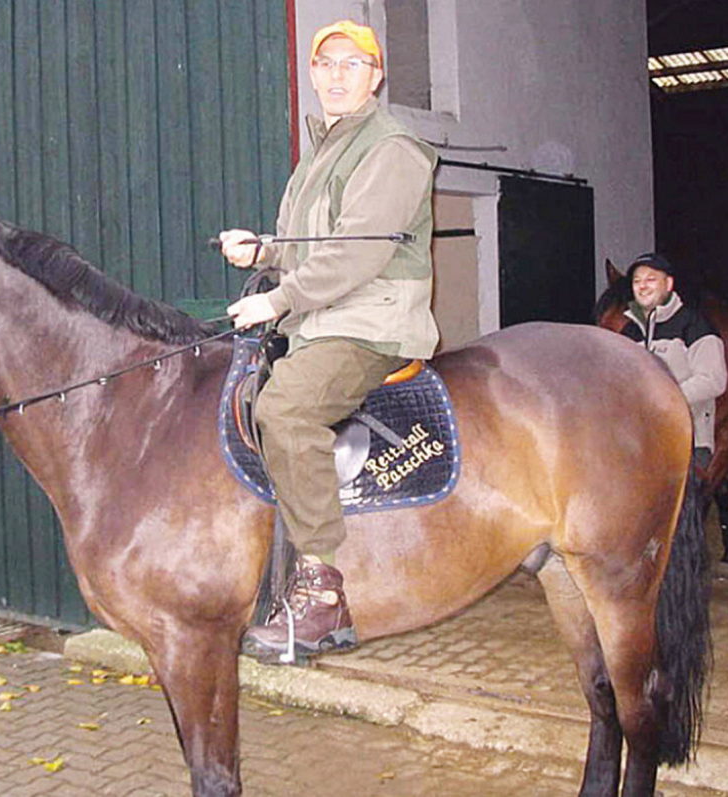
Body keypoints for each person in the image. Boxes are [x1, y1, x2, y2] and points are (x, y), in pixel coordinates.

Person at [218, 20, 439, 659]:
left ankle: (320, 593)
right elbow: (304, 246)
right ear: (313, 75)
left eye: (352, 64)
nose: (337, 76)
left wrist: (276, 298)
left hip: (371, 321)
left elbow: (354, 255)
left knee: (284, 409)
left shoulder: (392, 147)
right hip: (319, 319)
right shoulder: (320, 152)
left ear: (375, 76)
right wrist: (262, 249)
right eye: (326, 65)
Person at [621, 252, 727, 522]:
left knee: (678, 520)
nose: (642, 286)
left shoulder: (694, 325)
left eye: (650, 279)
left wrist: (662, 400)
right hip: (641, 438)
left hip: (687, 439)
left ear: (668, 284)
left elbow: (714, 379)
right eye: (637, 281)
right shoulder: (629, 330)